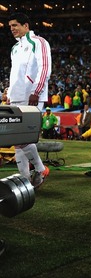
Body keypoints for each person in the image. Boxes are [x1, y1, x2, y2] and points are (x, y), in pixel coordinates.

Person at [6, 12, 51, 188]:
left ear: (26, 25)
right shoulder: (15, 48)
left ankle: (40, 169)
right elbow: (14, 74)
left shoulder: (38, 42)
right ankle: (25, 180)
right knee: (17, 141)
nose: (12, 29)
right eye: (10, 26)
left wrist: (36, 91)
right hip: (15, 97)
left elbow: (45, 67)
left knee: (23, 138)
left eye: (15, 25)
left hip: (31, 96)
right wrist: (8, 93)